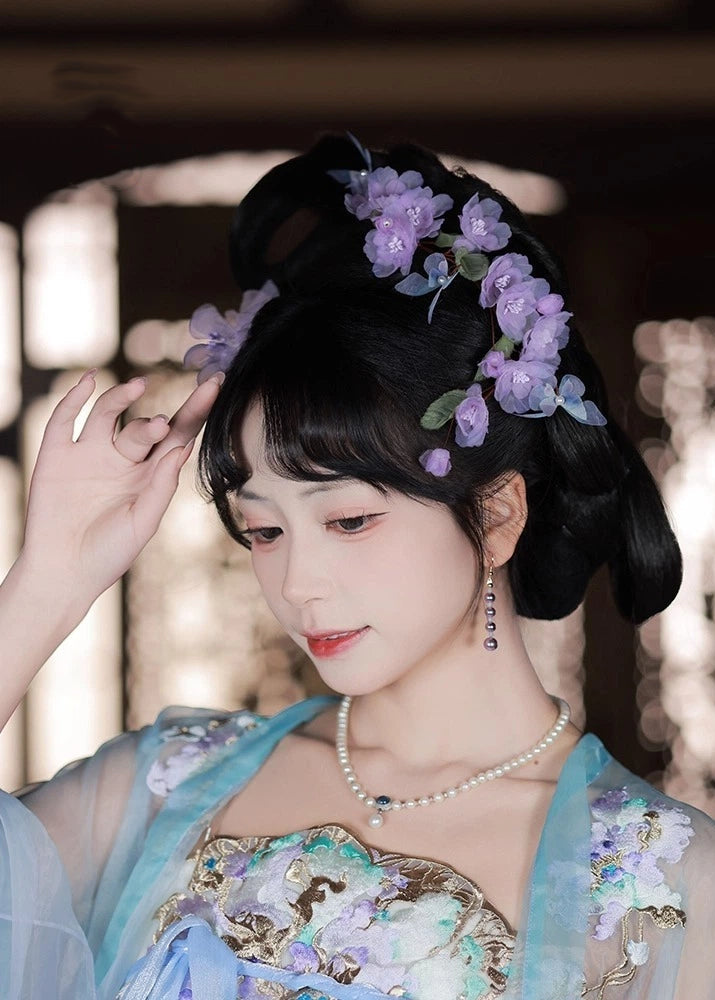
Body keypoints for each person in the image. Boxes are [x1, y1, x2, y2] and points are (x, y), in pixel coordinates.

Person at [0, 133, 713, 1000]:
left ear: (495, 515)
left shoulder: (664, 882)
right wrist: (46, 585)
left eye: (348, 519)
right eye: (262, 531)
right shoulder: (160, 789)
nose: (297, 584)